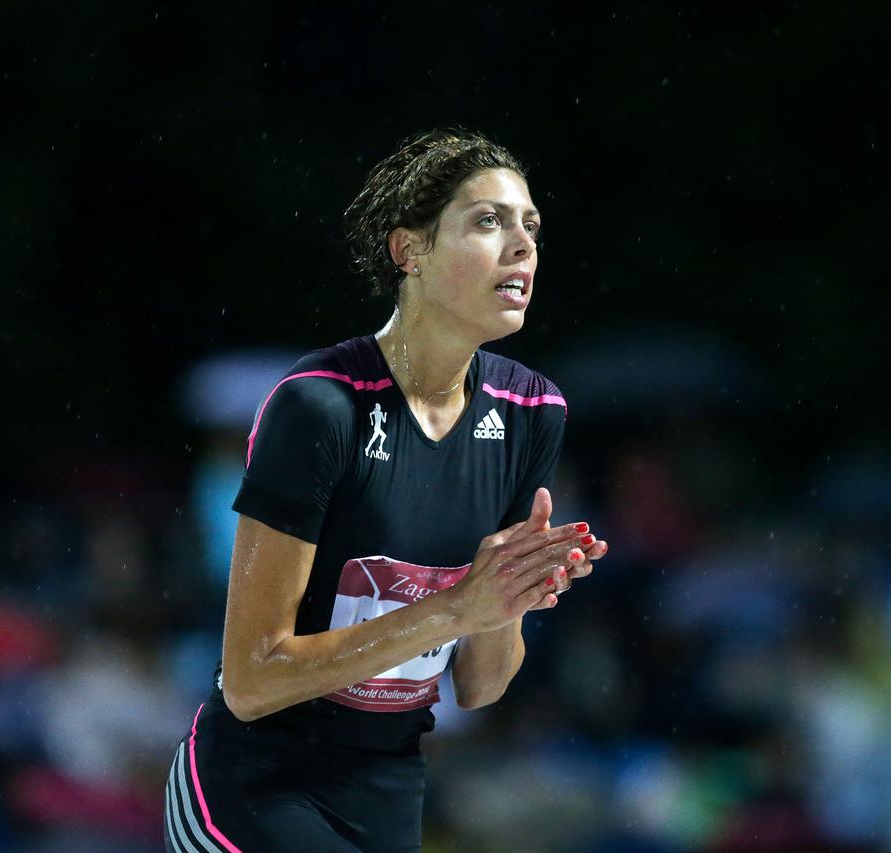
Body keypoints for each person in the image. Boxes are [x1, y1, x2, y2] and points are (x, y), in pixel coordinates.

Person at [162, 129, 609, 852]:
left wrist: (505, 601)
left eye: (530, 225)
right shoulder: (319, 406)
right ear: (410, 251)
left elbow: (481, 685)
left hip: (387, 788)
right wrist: (457, 605)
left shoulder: (533, 413)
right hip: (253, 785)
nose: (522, 244)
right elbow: (250, 680)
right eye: (488, 221)